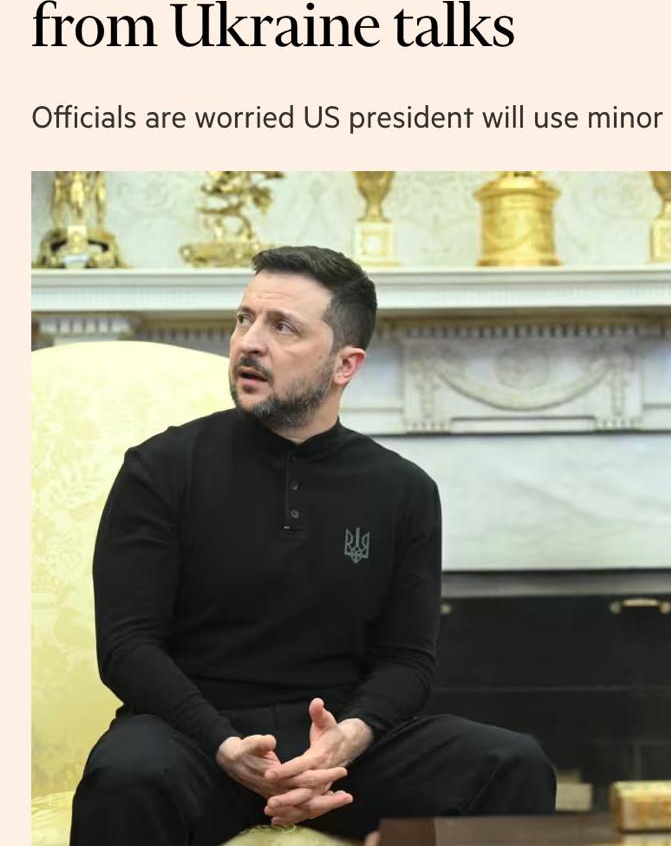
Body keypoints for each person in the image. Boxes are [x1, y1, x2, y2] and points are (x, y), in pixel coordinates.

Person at [71, 246, 556, 846]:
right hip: (194, 744)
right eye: (244, 319)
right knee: (126, 775)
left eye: (283, 327)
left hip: (341, 758)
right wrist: (223, 744)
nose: (249, 342)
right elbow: (127, 646)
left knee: (512, 763)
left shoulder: (402, 489)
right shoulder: (161, 467)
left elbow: (406, 660)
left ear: (344, 364)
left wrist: (350, 737)